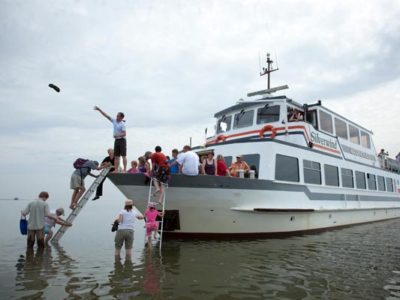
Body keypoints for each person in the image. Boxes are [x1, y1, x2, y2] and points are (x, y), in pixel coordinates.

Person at [94, 106, 127, 172]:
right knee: (117, 156)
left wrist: (117, 135)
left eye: (118, 116)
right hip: (117, 140)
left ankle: (124, 169)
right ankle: (116, 169)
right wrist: (99, 110)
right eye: (116, 116)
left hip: (122, 140)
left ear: (121, 117)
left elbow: (124, 133)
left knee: (123, 155)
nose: (116, 117)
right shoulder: (114, 121)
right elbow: (106, 116)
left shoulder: (122, 124)